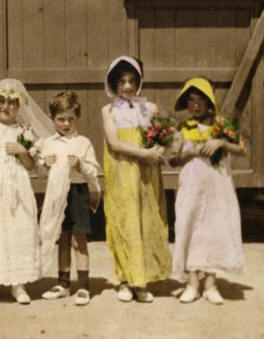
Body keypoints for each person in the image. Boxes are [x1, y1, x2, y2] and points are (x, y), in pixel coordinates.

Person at [0, 79, 53, 304]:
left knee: (20, 230)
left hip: (17, 187)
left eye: (12, 103)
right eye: (1, 101)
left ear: (20, 106)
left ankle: (19, 284)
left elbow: (29, 165)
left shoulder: (24, 131)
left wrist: (23, 151)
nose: (5, 107)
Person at [169, 77, 245, 304]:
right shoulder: (183, 128)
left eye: (201, 100)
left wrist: (221, 143)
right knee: (189, 228)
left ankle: (211, 283)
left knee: (213, 231)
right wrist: (191, 152)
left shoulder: (221, 125)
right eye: (191, 100)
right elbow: (172, 159)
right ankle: (192, 282)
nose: (195, 105)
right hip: (191, 188)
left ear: (209, 102)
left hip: (217, 188)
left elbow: (241, 148)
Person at [101, 56, 170, 302]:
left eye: (132, 80)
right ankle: (124, 280)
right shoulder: (108, 110)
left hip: (146, 173)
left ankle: (142, 282)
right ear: (113, 84)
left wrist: (158, 151)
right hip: (122, 171)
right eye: (122, 81)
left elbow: (163, 136)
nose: (127, 86)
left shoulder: (149, 108)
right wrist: (145, 153)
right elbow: (115, 143)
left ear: (138, 81)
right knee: (124, 220)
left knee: (146, 220)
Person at [36, 91, 101, 306]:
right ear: (52, 118)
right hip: (56, 195)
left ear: (78, 118)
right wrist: (46, 164)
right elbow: (40, 172)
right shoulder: (48, 142)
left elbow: (94, 170)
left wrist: (81, 165)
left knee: (79, 239)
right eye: (61, 119)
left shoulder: (83, 142)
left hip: (78, 192)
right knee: (62, 237)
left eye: (71, 119)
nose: (66, 124)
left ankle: (83, 285)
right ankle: (63, 284)